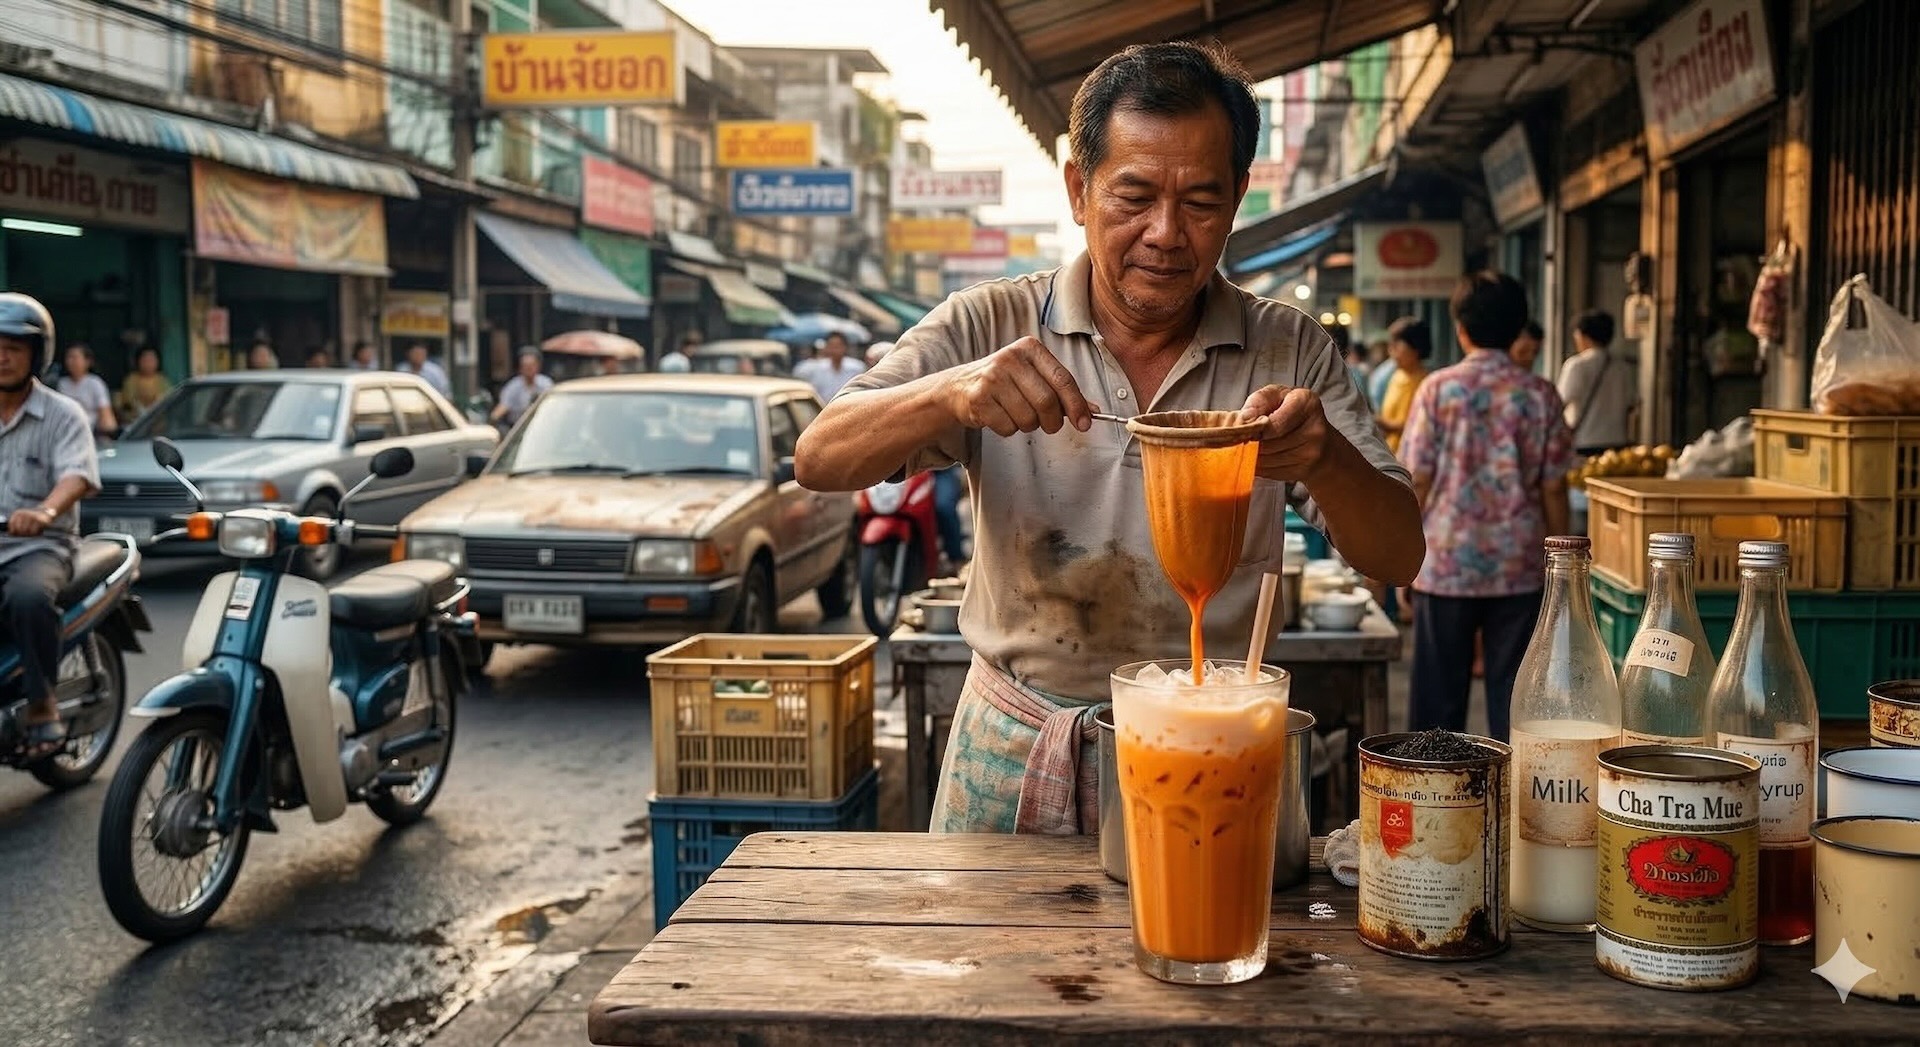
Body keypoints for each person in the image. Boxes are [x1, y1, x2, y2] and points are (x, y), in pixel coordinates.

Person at [793, 41, 1422, 834]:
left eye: (1200, 201)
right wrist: (952, 392)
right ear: (1077, 189)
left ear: (1236, 201)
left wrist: (1326, 458)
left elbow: (1401, 557)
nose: (1165, 232)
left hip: (1213, 743)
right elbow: (819, 456)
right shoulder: (988, 324)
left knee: (1214, 953)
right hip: (1015, 740)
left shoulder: (1289, 350)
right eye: (1134, 195)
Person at [1398, 272, 1577, 743]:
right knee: (1517, 701)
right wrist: (1565, 568)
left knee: (1436, 704)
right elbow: (1555, 489)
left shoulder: (1438, 390)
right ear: (1519, 327)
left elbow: (1416, 479)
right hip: (1519, 566)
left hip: (1445, 562)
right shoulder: (1540, 395)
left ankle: (1434, 800)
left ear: (1461, 327)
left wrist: (1397, 559)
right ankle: (1516, 807)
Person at [0, 295, 102, 759]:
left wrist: (43, 512)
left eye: (13, 348)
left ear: (36, 354)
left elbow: (77, 474)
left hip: (40, 546)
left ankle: (42, 702)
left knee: (27, 597)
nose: (2, 357)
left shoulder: (64, 414)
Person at [1556, 308, 1639, 456]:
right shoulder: (1623, 367)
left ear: (1584, 336)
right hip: (1617, 445)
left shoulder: (1576, 365)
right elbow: (1631, 405)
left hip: (1584, 443)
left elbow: (1558, 405)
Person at [1374, 318, 1430, 455]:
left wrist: (1377, 421)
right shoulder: (1395, 376)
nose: (1391, 350)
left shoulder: (1425, 383)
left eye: (1397, 344)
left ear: (1416, 348)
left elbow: (1414, 426)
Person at [56, 344, 117, 440]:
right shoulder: (61, 384)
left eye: (75, 357)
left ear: (87, 361)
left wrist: (106, 432)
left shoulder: (95, 383)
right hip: (65, 432)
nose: (71, 361)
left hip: (91, 433)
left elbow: (105, 414)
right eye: (68, 358)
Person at [792, 331, 867, 403]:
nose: (835, 349)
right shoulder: (816, 368)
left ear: (845, 347)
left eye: (838, 346)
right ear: (827, 347)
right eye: (832, 346)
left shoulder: (856, 368)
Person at [491, 348, 553, 428]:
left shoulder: (546, 384)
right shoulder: (513, 386)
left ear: (538, 366)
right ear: (520, 368)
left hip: (542, 425)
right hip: (517, 426)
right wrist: (493, 418)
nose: (529, 369)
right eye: (525, 366)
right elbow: (503, 406)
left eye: (531, 365)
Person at [115, 345, 171, 422]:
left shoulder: (162, 380)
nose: (148, 364)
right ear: (138, 361)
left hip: (159, 421)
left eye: (151, 360)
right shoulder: (131, 380)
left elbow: (168, 399)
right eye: (145, 360)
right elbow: (127, 402)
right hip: (136, 421)